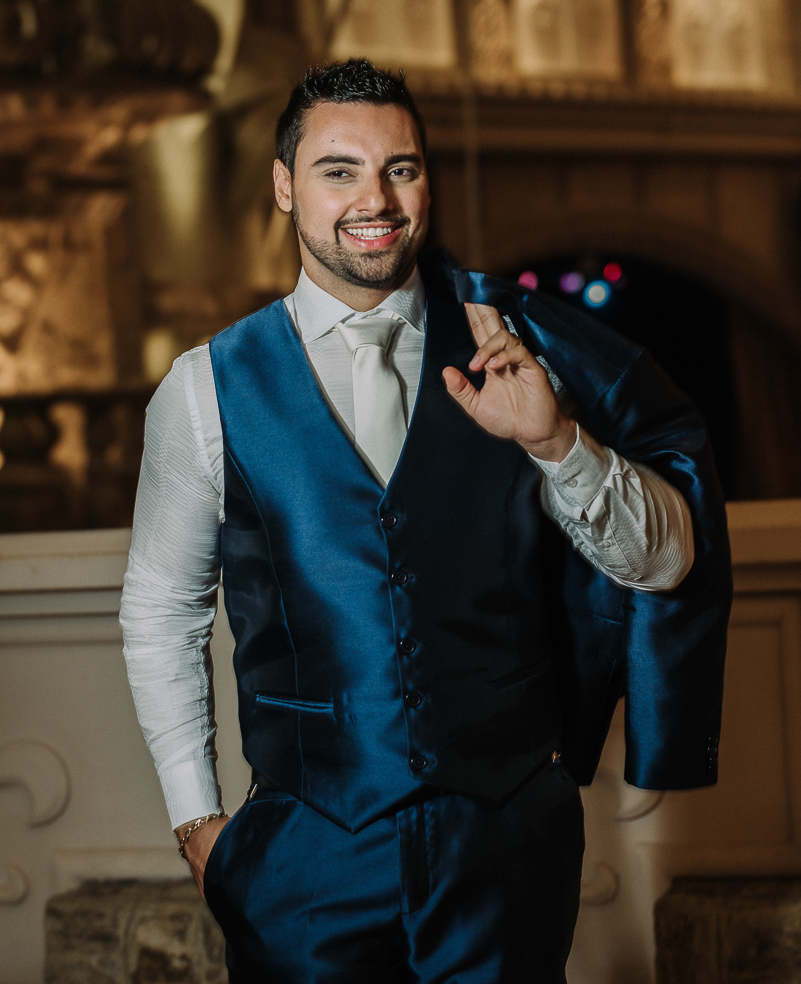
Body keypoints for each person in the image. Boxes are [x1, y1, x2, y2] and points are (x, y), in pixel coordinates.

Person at [121, 59, 731, 983]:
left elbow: (666, 562)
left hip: (506, 849)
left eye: (400, 168)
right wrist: (198, 823)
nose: (376, 198)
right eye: (339, 170)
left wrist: (559, 442)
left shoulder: (522, 349)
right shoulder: (205, 389)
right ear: (285, 185)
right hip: (301, 859)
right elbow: (161, 614)